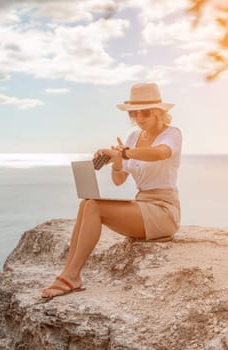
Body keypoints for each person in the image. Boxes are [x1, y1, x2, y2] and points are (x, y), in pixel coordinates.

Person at [41, 82, 182, 299]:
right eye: (135, 113)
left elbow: (160, 153)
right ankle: (69, 274)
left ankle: (71, 276)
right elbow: (118, 179)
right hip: (142, 204)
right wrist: (117, 160)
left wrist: (125, 153)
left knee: (95, 207)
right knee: (87, 203)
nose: (139, 118)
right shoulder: (133, 139)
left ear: (158, 112)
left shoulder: (171, 134)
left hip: (164, 211)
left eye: (145, 112)